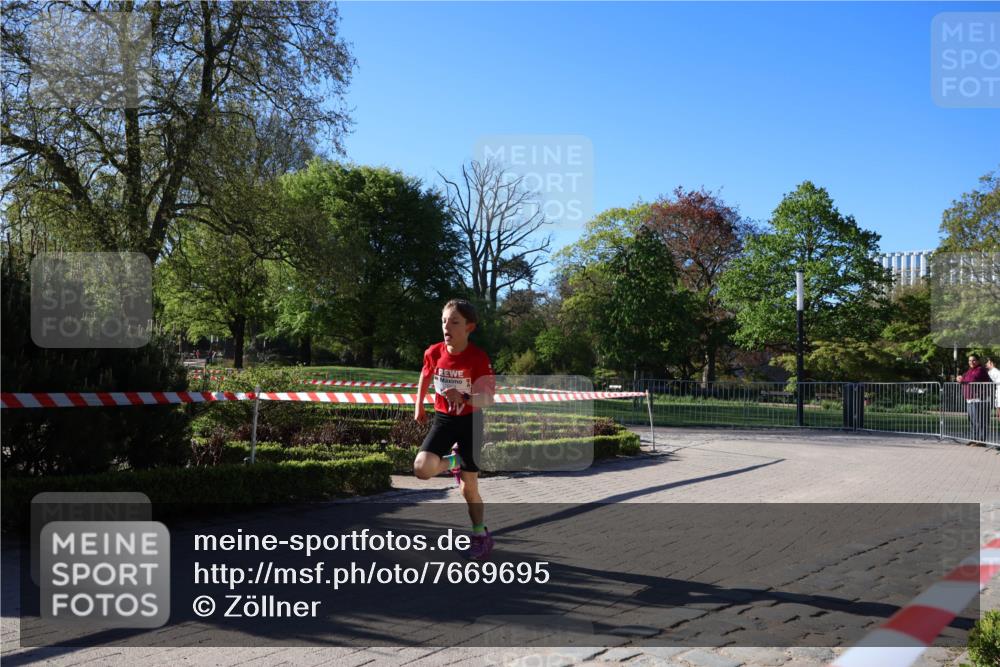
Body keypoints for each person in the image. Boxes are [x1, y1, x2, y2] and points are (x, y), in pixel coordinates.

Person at [413, 299, 496, 560]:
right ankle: (455, 461)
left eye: (454, 322)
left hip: (470, 421)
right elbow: (425, 374)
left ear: (469, 327)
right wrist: (419, 405)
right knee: (421, 468)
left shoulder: (478, 357)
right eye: (444, 321)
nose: (446, 326)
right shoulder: (434, 352)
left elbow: (488, 398)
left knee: (469, 488)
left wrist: (465, 397)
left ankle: (480, 536)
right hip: (444, 420)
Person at [957, 354, 991, 443]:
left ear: (978, 361)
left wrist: (962, 380)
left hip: (980, 400)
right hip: (970, 399)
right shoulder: (969, 370)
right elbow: (964, 378)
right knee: (972, 421)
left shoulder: (980, 370)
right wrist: (960, 378)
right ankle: (973, 439)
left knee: (980, 421)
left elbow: (972, 380)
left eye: (973, 360)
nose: (971, 362)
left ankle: (981, 441)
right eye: (969, 360)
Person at [987, 357, 1000, 421]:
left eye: (988, 363)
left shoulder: (994, 371)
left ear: (991, 363)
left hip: (999, 393)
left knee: (998, 411)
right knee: (998, 411)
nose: (986, 364)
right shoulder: (992, 371)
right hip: (997, 393)